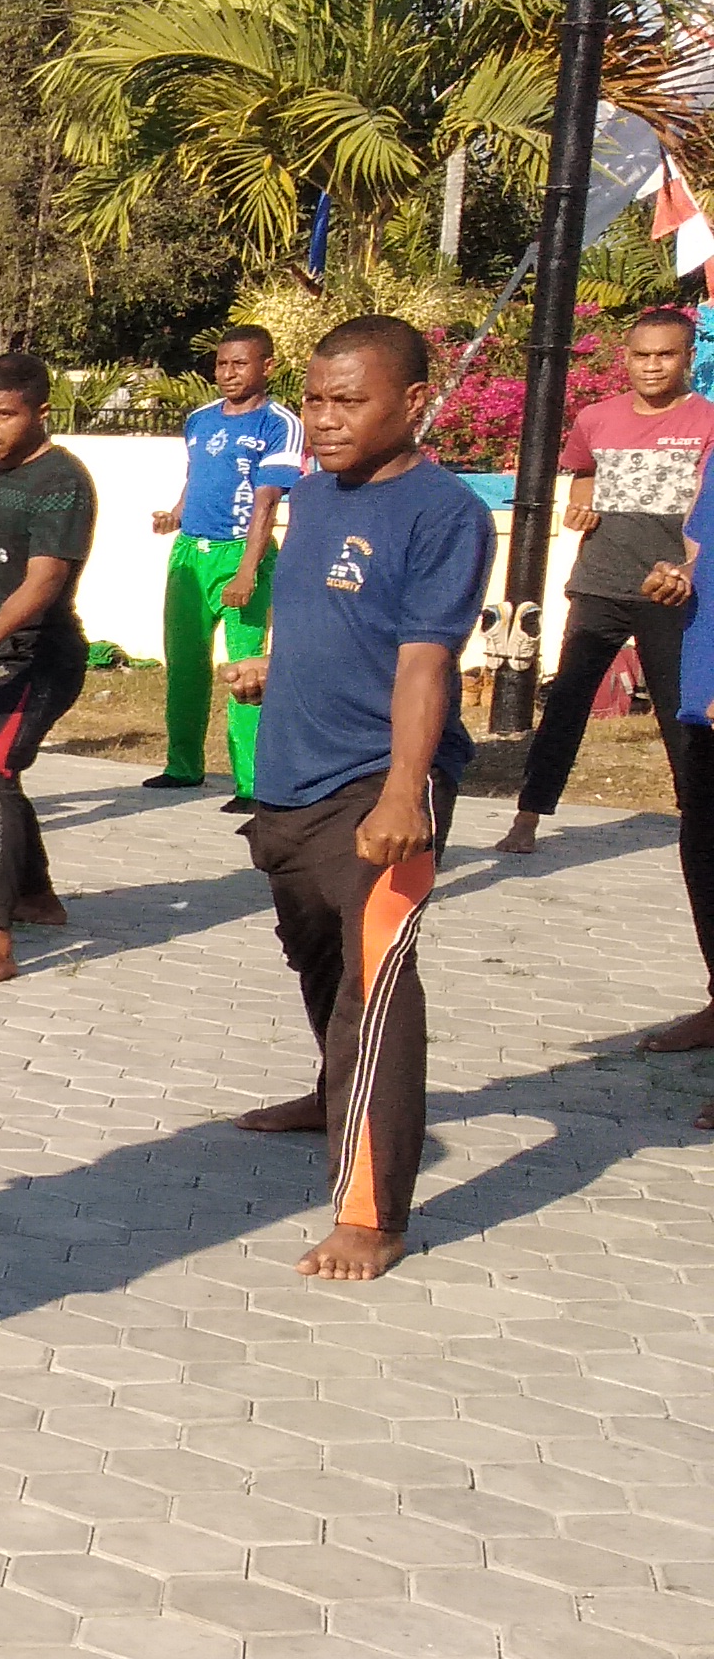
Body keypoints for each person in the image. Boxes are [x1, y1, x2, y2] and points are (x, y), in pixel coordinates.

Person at [227, 315, 487, 1280]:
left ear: (414, 403)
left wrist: (406, 794)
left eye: (350, 401)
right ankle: (334, 1091)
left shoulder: (444, 512)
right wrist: (271, 663)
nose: (325, 420)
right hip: (289, 780)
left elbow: (425, 663)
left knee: (376, 988)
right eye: (316, 400)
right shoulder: (314, 496)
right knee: (317, 955)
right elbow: (338, 622)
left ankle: (374, 1212)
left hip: (380, 785)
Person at [506, 309, 714, 861]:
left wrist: (688, 572)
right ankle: (527, 818)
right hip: (599, 583)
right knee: (567, 703)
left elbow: (707, 511)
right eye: (641, 355)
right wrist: (580, 506)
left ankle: (696, 827)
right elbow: (583, 474)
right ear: (625, 358)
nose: (651, 367)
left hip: (669, 590)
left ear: (688, 357)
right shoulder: (596, 417)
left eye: (665, 355)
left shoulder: (708, 421)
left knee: (679, 715)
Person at [0, 352, 96, 987]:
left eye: (3, 413)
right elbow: (8, 569)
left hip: (38, 654)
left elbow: (46, 580)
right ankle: (36, 897)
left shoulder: (61, 479)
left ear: (39, 413)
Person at [142, 327, 303, 806]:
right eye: (221, 364)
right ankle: (183, 767)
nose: (228, 374)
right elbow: (197, 476)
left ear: (267, 367)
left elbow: (267, 503)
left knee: (245, 673)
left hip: (241, 555)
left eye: (240, 364)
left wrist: (248, 571)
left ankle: (252, 784)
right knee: (185, 664)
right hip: (192, 553)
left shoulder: (279, 424)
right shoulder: (199, 420)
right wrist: (175, 514)